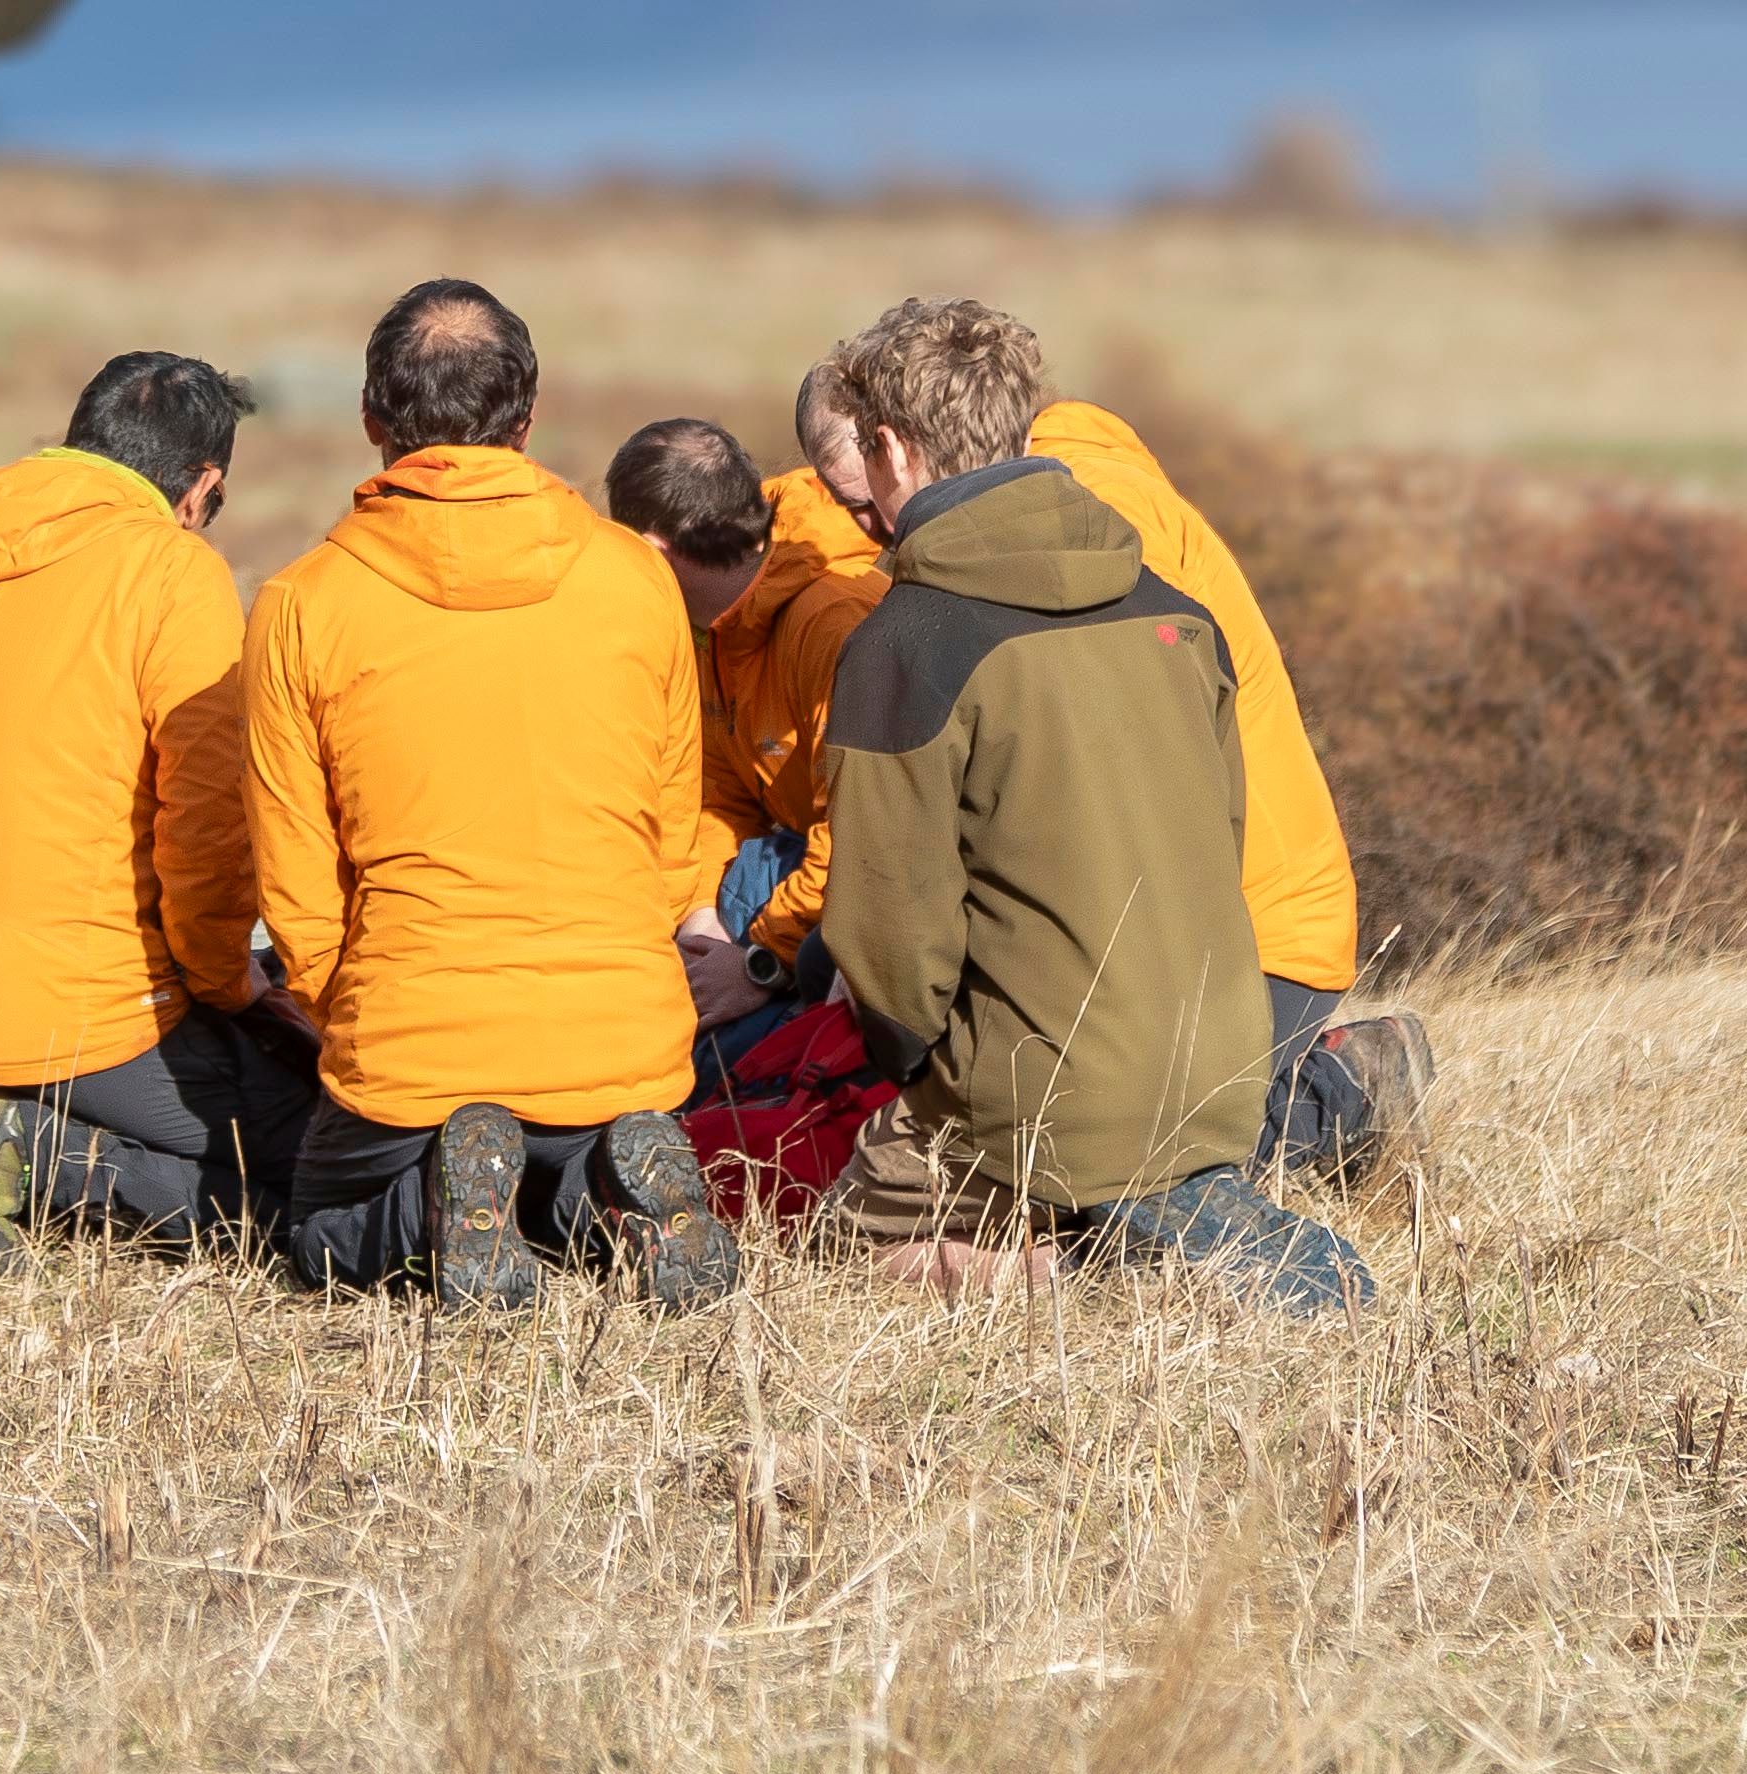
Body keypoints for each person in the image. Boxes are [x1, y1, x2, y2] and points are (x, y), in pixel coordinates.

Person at [805, 294, 1362, 1306]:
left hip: (1042, 1101)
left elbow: (891, 947)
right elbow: (1222, 834)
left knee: (837, 1242)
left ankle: (1092, 1260)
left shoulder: (903, 646)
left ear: (887, 446)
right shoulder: (1174, 612)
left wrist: (928, 1070)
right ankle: (1158, 1208)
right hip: (1231, 1065)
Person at [241, 279, 739, 1314]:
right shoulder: (637, 579)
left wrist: (353, 1008)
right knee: (566, 1195)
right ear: (529, 415)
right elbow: (672, 813)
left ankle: (437, 1189)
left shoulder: (303, 603)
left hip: (418, 1039)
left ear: (373, 418)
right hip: (624, 1034)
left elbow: (296, 880)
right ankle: (615, 1181)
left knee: (321, 1232)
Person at [0, 349, 305, 1264]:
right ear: (201, 484)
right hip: (71, 999)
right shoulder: (172, 571)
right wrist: (229, 984)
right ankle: (39, 1159)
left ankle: (1, 1123)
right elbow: (204, 825)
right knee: (323, 1159)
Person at [1002, 371, 1434, 1179]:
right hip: (1213, 908)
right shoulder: (1065, 501)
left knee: (1146, 1158)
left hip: (1250, 921)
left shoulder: (1095, 512)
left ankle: (1350, 1087)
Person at [605, 407, 879, 1080]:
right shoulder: (716, 627)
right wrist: (698, 919)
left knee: (703, 1058)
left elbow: (862, 830)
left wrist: (759, 962)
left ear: (652, 551)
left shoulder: (831, 622)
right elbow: (717, 791)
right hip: (773, 876)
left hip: (845, 897)